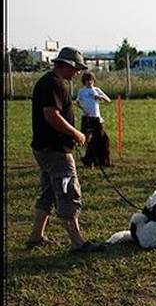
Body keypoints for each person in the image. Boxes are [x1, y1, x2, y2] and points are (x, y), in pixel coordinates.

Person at [26, 47, 105, 253]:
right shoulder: (54, 83)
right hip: (56, 150)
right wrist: (75, 134)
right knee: (68, 191)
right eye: (77, 68)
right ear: (66, 65)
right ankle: (78, 242)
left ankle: (36, 236)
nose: (78, 72)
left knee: (49, 192)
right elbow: (51, 114)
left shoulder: (49, 81)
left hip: (44, 148)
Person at [75, 71, 111, 145]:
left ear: (94, 81)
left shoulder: (97, 90)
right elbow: (77, 102)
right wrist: (83, 109)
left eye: (91, 80)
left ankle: (98, 149)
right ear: (84, 81)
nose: (89, 82)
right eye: (87, 80)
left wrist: (100, 97)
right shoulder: (82, 91)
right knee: (85, 134)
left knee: (99, 134)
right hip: (86, 116)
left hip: (96, 116)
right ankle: (86, 149)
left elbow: (108, 100)